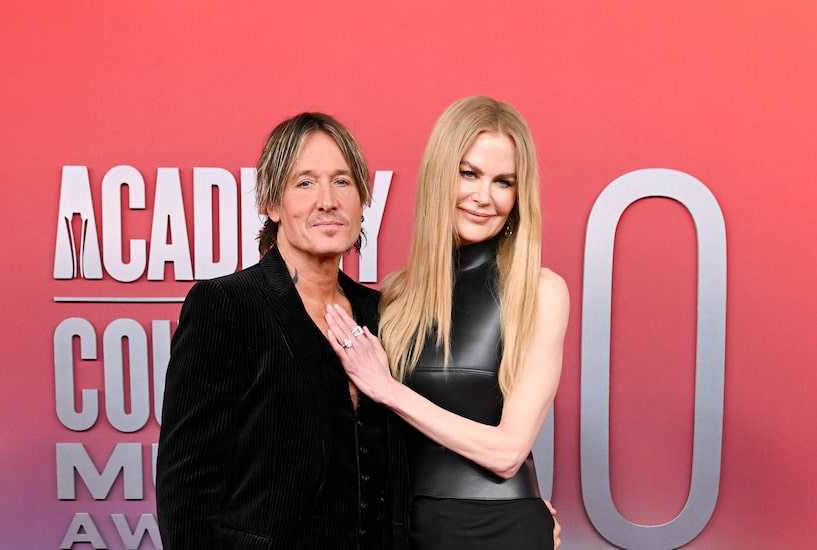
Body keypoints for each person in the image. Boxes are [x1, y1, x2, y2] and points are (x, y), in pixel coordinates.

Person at [325, 96, 568, 549]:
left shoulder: (540, 291)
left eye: (503, 182)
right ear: (440, 176)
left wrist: (388, 389)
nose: (484, 197)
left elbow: (508, 452)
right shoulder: (396, 296)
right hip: (404, 528)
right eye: (469, 173)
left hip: (502, 530)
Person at [156, 112, 408, 549]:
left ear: (363, 199)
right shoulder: (227, 305)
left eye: (342, 181)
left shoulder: (383, 313)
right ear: (272, 204)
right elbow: (187, 494)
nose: (327, 200)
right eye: (305, 183)